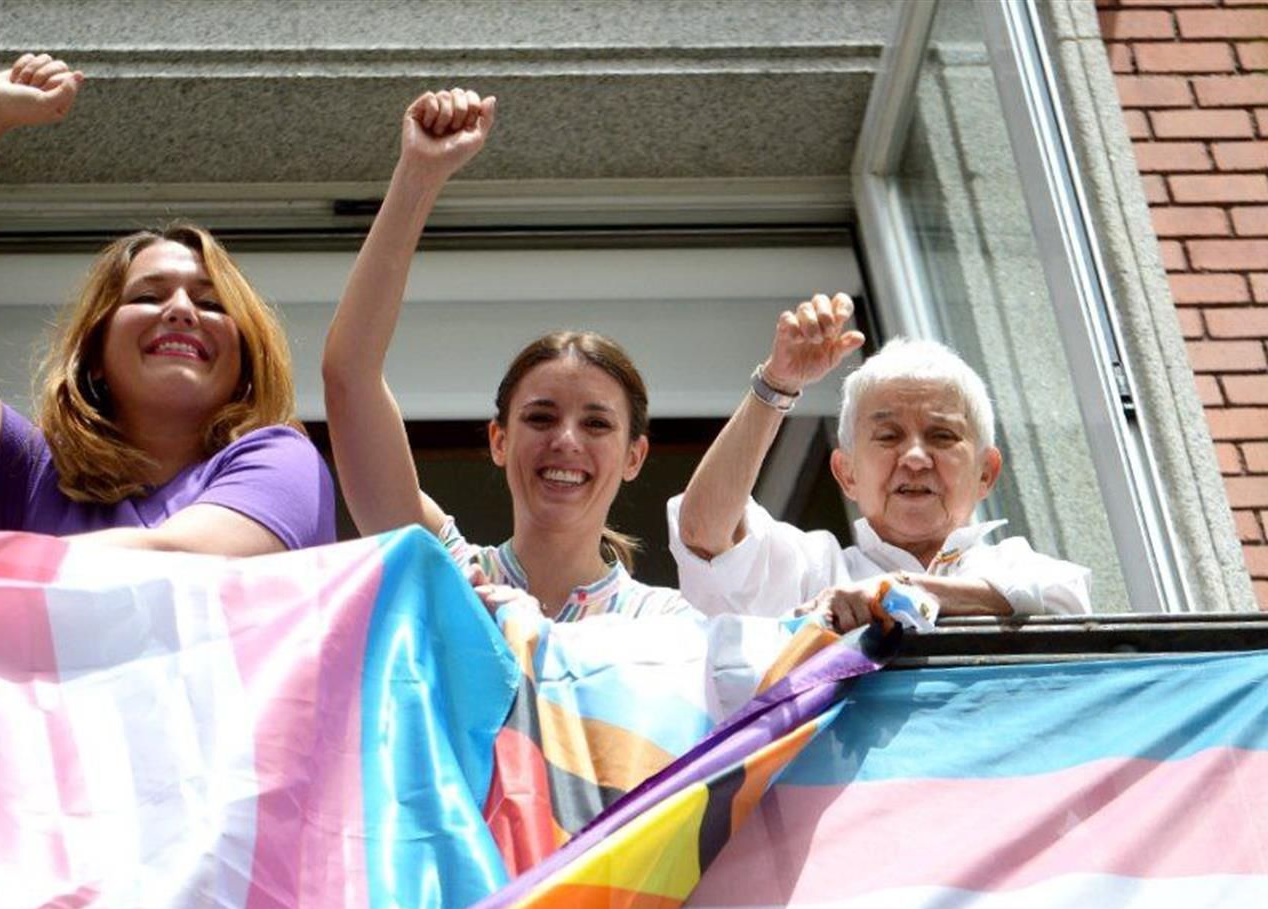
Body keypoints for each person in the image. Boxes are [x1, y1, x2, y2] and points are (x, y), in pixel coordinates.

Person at [0, 54, 335, 560]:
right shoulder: (33, 480)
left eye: (211, 303)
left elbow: (180, 559)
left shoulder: (282, 459)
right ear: (97, 357)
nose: (180, 310)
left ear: (245, 362)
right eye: (147, 296)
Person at [321, 88, 691, 622]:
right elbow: (349, 375)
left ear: (635, 456)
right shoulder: (446, 574)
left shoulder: (669, 622)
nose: (565, 441)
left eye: (597, 424)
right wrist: (418, 177)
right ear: (499, 439)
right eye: (540, 417)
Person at [669, 294, 1091, 628]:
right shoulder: (815, 571)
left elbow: (1067, 601)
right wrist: (777, 384)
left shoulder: (1014, 565)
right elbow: (702, 530)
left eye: (941, 436)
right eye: (888, 436)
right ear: (846, 473)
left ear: (987, 472)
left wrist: (894, 592)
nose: (914, 457)